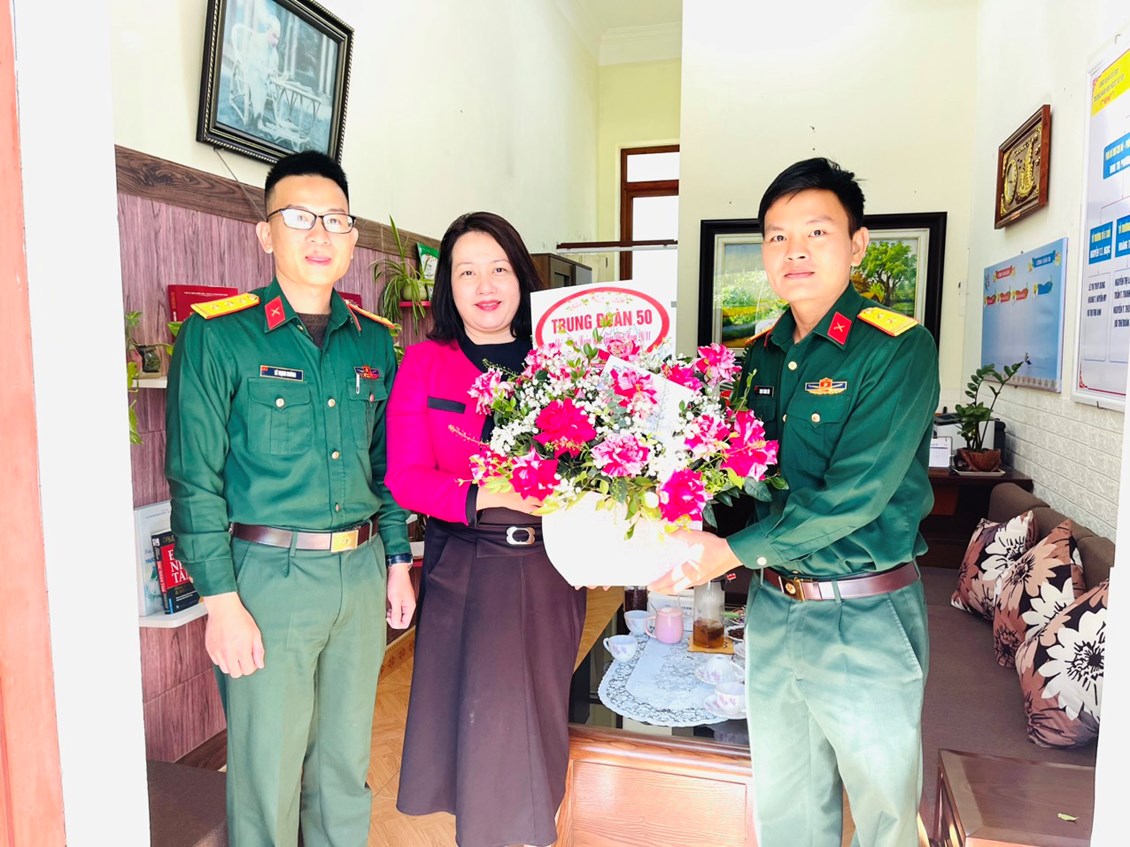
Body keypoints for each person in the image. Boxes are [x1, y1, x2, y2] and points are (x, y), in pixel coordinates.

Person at [650, 157, 940, 847]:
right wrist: (663, 520)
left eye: (816, 232)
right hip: (774, 608)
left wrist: (727, 552)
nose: (794, 251)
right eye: (777, 237)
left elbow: (854, 496)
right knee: (786, 811)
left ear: (857, 244)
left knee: (885, 819)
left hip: (862, 613)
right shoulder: (756, 358)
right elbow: (735, 482)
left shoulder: (896, 349)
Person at [165, 150, 416, 846]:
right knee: (267, 770)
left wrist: (397, 560)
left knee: (343, 765)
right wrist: (221, 602)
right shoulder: (219, 334)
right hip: (266, 582)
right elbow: (194, 478)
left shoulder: (374, 342)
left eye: (336, 220)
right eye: (300, 218)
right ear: (265, 233)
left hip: (359, 573)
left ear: (352, 239)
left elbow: (387, 466)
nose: (320, 234)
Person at [387, 211, 587, 847]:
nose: (485, 285)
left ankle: (533, 833)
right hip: (465, 564)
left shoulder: (563, 362)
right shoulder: (425, 363)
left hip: (551, 567)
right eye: (467, 272)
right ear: (448, 286)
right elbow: (404, 477)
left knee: (538, 719)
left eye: (499, 268)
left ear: (521, 276)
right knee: (478, 729)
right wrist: (484, 493)